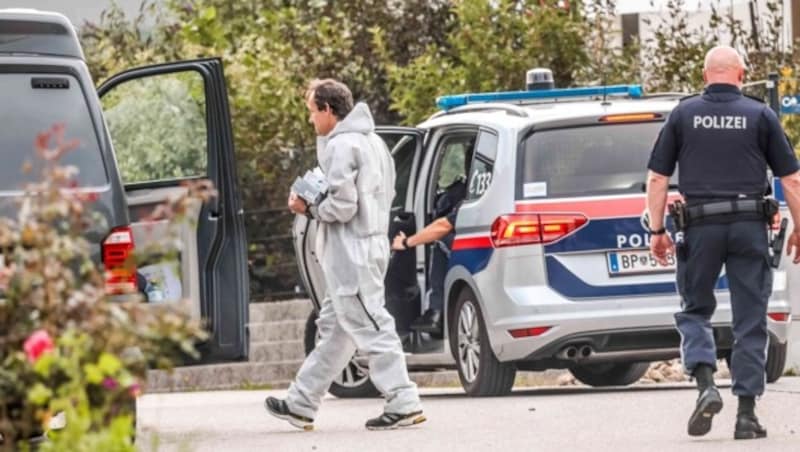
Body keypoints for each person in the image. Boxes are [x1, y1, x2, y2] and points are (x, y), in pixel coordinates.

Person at [646, 45, 800, 440]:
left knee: (696, 308)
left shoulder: (683, 114)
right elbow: (792, 180)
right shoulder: (760, 115)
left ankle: (705, 385)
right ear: (742, 75)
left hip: (700, 228)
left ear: (704, 76)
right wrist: (799, 227)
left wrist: (658, 231)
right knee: (751, 317)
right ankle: (746, 415)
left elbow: (657, 179)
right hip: (750, 226)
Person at [265, 79, 424, 431]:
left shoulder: (341, 146)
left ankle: (403, 400)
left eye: (311, 112)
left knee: (371, 323)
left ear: (327, 109)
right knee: (337, 330)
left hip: (350, 251)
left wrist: (307, 207)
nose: (310, 120)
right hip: (370, 244)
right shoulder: (374, 142)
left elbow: (342, 205)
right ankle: (301, 403)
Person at [391, 147, 472, 334]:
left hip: (480, 250)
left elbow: (443, 226)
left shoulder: (475, 194)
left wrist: (405, 243)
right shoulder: (465, 191)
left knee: (442, 240)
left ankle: (436, 311)